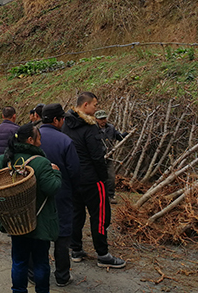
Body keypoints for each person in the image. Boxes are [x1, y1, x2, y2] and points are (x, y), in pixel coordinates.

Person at [0, 123, 61, 293]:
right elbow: (52, 188)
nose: (40, 143)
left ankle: (18, 291)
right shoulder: (42, 163)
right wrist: (55, 171)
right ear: (30, 140)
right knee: (41, 262)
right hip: (40, 222)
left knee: (19, 261)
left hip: (16, 222)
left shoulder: (7, 159)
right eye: (39, 139)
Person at [62, 92, 126, 269]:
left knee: (76, 214)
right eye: (95, 105)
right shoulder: (89, 127)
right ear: (85, 106)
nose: (96, 108)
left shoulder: (65, 125)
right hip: (91, 179)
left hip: (73, 177)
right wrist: (102, 178)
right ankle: (103, 254)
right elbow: (97, 156)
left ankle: (75, 250)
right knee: (100, 216)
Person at [39, 104, 81, 287]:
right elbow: (74, 171)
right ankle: (62, 276)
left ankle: (37, 274)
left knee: (39, 233)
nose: (63, 122)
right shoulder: (64, 141)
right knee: (62, 235)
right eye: (62, 119)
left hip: (36, 194)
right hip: (61, 193)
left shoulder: (32, 137)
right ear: (56, 120)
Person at [95, 110, 127, 204]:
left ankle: (110, 196)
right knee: (97, 177)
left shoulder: (110, 128)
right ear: (96, 119)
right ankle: (97, 196)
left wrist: (127, 134)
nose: (103, 121)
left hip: (109, 157)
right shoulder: (92, 129)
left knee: (111, 177)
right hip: (97, 158)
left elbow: (119, 137)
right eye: (101, 119)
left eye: (104, 118)